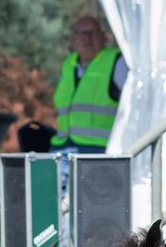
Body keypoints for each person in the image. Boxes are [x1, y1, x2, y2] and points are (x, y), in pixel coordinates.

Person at [49, 15, 128, 155]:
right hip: (62, 146)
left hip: (99, 149)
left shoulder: (116, 62)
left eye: (92, 33)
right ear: (74, 38)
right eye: (82, 33)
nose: (87, 38)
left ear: (102, 37)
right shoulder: (68, 65)